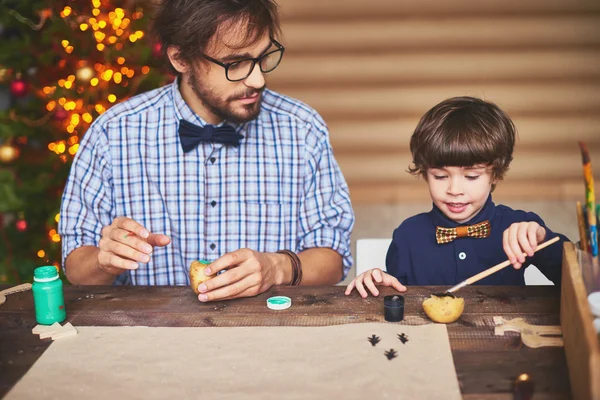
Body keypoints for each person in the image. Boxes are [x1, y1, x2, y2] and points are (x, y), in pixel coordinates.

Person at [58, 0, 355, 302]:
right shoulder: (113, 133)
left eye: (262, 57)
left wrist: (277, 267)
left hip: (269, 333)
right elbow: (75, 267)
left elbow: (334, 258)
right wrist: (104, 260)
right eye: (235, 63)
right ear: (180, 58)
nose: (258, 80)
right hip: (145, 337)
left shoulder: (302, 128)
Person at [345, 96, 569, 298]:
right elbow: (398, 299)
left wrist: (543, 239)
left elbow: (579, 285)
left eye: (471, 176)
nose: (454, 189)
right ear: (425, 173)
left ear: (496, 174)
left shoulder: (519, 228)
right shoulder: (407, 236)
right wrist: (381, 283)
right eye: (440, 176)